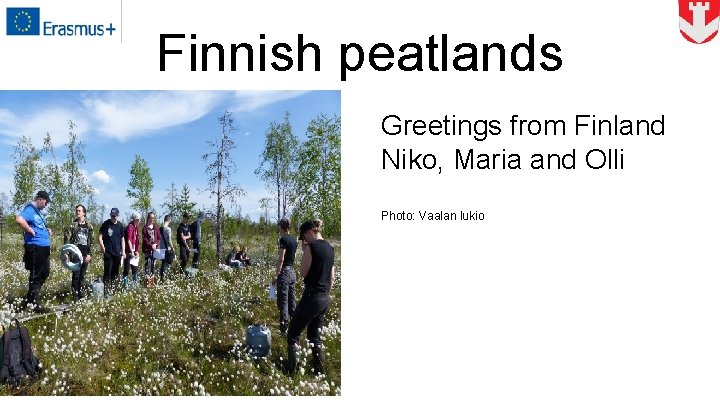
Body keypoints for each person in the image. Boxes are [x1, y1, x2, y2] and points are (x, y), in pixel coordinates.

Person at [287, 219, 335, 375]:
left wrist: (305, 251)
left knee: (293, 334)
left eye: (304, 237)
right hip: (323, 298)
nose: (304, 240)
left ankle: (291, 373)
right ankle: (320, 372)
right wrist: (325, 294)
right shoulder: (330, 248)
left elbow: (302, 273)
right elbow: (332, 277)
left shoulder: (311, 247)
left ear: (309, 232)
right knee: (315, 336)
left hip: (311, 297)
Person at [15, 190, 53, 313]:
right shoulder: (30, 209)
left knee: (45, 272)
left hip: (43, 247)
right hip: (35, 247)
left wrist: (47, 230)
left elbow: (38, 225)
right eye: (46, 202)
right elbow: (19, 220)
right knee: (36, 274)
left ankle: (30, 299)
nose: (46, 205)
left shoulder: (38, 212)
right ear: (40, 199)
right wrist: (29, 230)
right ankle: (34, 304)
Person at [64, 204, 93, 302]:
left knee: (82, 275)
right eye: (76, 210)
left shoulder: (89, 226)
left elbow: (91, 242)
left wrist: (90, 254)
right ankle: (75, 296)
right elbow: (67, 241)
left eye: (79, 211)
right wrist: (67, 254)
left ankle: (81, 294)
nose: (77, 212)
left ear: (84, 213)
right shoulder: (72, 225)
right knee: (76, 275)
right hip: (75, 254)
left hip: (85, 254)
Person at [274, 218, 297, 336]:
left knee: (283, 302)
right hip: (292, 272)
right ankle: (295, 325)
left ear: (281, 227)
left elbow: (281, 259)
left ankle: (284, 329)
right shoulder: (294, 239)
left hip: (284, 273)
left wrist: (276, 275)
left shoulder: (283, 239)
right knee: (291, 300)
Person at [98, 207, 125, 298]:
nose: (113, 217)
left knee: (115, 273)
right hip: (108, 253)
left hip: (117, 253)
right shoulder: (106, 224)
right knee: (107, 273)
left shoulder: (120, 225)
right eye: (112, 215)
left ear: (118, 215)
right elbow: (100, 237)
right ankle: (106, 292)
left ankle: (114, 291)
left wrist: (123, 251)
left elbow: (122, 239)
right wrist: (103, 248)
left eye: (115, 216)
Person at [123, 212, 141, 289]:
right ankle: (125, 285)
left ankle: (135, 284)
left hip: (134, 250)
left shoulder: (136, 227)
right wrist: (132, 251)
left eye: (138, 220)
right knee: (127, 269)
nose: (138, 221)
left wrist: (137, 250)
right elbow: (129, 240)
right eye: (137, 219)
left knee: (135, 268)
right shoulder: (130, 227)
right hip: (128, 251)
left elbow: (137, 240)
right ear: (134, 219)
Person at [142, 212, 161, 281]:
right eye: (151, 218)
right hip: (147, 249)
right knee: (147, 264)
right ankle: (147, 279)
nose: (152, 219)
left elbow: (159, 238)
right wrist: (151, 245)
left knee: (153, 264)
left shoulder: (156, 227)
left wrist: (156, 244)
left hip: (155, 249)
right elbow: (145, 239)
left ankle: (152, 279)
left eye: (153, 218)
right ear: (148, 218)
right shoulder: (145, 228)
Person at [158, 214, 174, 282]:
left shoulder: (160, 229)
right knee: (167, 263)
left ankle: (161, 276)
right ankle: (163, 277)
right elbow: (169, 240)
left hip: (161, 248)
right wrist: (172, 247)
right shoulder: (168, 229)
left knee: (163, 263)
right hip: (167, 248)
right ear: (169, 220)